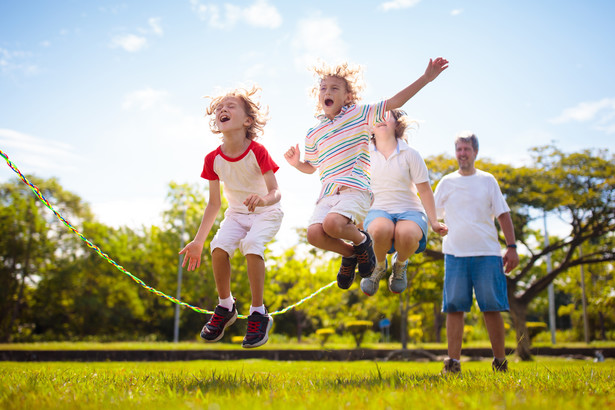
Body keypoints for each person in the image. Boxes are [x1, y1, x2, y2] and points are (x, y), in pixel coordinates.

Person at [285, 58, 448, 290]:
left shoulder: (360, 115)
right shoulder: (313, 133)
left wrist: (425, 79)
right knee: (314, 234)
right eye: (323, 89)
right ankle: (352, 253)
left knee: (333, 224)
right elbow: (311, 167)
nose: (327, 92)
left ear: (348, 96)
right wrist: (296, 163)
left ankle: (364, 241)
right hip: (329, 193)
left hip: (356, 190)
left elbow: (395, 101)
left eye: (334, 88)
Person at [179, 86, 283, 349]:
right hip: (236, 214)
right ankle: (226, 307)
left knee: (251, 245)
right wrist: (197, 241)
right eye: (219, 108)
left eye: (230, 106)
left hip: (266, 212)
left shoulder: (257, 151)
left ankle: (259, 312)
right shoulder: (212, 159)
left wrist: (263, 200)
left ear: (247, 120)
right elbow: (214, 203)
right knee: (217, 248)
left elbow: (275, 191)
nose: (222, 110)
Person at [434, 131, 519, 373]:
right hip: (454, 254)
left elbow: (503, 214)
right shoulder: (446, 182)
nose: (462, 153)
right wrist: (433, 226)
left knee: (492, 307)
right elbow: (432, 213)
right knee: (453, 307)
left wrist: (511, 247)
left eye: (466, 149)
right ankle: (453, 363)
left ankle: (500, 361)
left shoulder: (488, 180)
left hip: (487, 253)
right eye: (459, 149)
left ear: (475, 152)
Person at [360, 109, 448, 297]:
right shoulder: (364, 154)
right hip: (378, 209)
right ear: (370, 126)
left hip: (410, 211)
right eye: (377, 116)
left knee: (407, 235)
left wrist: (434, 222)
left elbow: (424, 190)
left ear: (397, 124)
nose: (381, 119)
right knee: (379, 230)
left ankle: (400, 265)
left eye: (386, 115)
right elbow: (356, 188)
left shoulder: (410, 154)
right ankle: (380, 266)